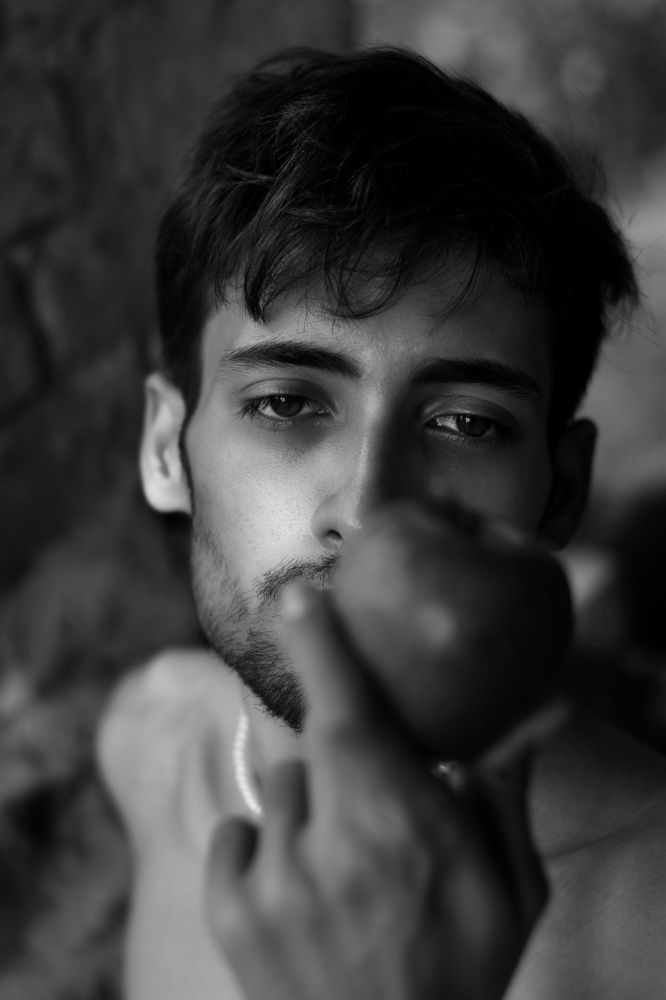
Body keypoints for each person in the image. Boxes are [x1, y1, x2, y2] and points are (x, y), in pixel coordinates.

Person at [97, 47, 666, 999]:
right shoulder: (146, 747)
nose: (369, 512)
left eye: (468, 424)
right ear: (165, 450)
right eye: (285, 403)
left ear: (561, 492)